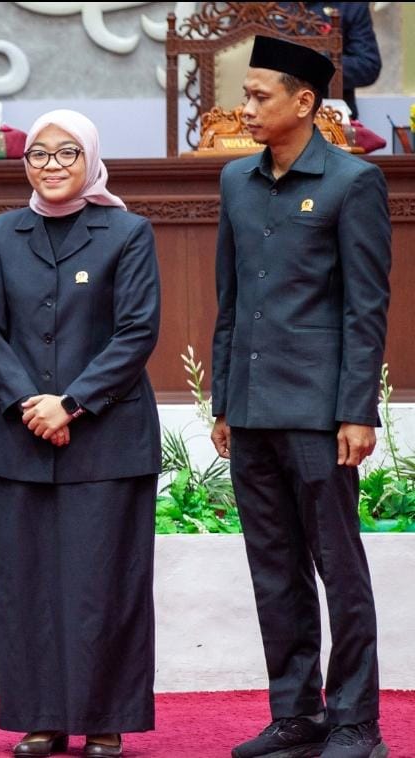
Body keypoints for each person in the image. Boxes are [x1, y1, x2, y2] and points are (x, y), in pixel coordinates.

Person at [211, 35, 391, 758]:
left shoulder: (352, 182)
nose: (245, 107)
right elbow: (229, 302)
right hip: (251, 411)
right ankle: (297, 716)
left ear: (304, 102)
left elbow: (365, 307)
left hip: (319, 415)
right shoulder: (234, 182)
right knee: (274, 571)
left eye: (259, 95)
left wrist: (356, 409)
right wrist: (223, 400)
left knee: (339, 572)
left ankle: (355, 723)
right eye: (245, 93)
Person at [0, 109, 161, 758]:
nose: (52, 166)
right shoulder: (2, 233)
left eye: (67, 153)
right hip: (21, 438)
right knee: (26, 587)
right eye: (39, 155)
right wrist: (30, 402)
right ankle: (41, 717)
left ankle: (105, 719)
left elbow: (136, 331)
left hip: (107, 438)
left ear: (92, 159)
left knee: (105, 583)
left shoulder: (127, 232)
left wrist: (72, 403)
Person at [298, 2, 382, 120]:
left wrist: (318, 65)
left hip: (331, 116)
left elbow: (368, 65)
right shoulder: (268, 6)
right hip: (273, 113)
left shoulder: (351, 6)